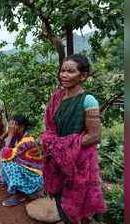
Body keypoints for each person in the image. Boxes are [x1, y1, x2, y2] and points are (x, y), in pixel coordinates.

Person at [40, 54, 106, 224]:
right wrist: (52, 144)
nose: (64, 75)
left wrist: (61, 145)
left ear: (82, 76)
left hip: (79, 163)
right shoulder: (57, 98)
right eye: (62, 70)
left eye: (70, 71)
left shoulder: (88, 100)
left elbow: (94, 135)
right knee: (61, 201)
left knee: (79, 206)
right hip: (57, 162)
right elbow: (49, 127)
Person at [0, 115, 43, 207]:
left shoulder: (27, 141)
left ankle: (20, 195)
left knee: (7, 163)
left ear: (21, 127)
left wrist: (10, 134)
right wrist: (5, 134)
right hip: (30, 170)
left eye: (13, 124)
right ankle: (11, 183)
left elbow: (5, 154)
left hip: (35, 177)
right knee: (8, 160)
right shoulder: (18, 136)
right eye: (10, 124)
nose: (10, 126)